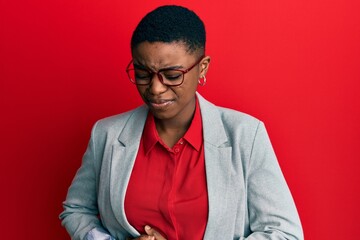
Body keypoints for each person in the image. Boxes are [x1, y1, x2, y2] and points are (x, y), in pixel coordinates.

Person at [60, 5, 303, 240]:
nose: (155, 88)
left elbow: (284, 233)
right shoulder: (107, 134)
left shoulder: (246, 136)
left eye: (173, 76)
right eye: (142, 74)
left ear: (203, 68)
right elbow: (75, 210)